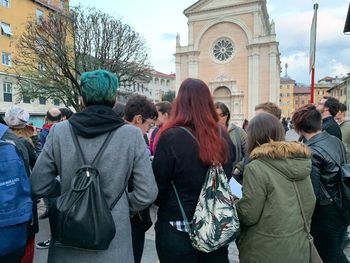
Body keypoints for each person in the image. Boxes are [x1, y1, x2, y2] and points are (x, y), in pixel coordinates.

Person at [30, 69, 158, 263]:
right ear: (114, 99)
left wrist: (68, 193)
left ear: (82, 99)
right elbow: (147, 192)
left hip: (68, 239)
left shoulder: (59, 132)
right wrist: (121, 207)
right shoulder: (131, 135)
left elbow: (38, 184)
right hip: (113, 240)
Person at [152, 78, 235, 263]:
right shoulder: (223, 136)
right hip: (214, 228)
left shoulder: (170, 137)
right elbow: (227, 179)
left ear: (179, 103)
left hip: (177, 226)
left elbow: (158, 187)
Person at [236, 112, 316, 263]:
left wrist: (234, 202)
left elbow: (248, 215)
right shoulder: (299, 160)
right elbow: (309, 200)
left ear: (253, 136)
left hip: (265, 248)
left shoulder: (256, 167)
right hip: (297, 244)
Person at [292, 104, 348, 262]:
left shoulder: (310, 151)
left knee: (329, 255)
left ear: (298, 127)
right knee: (336, 251)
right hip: (342, 203)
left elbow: (312, 193)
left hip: (325, 213)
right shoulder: (335, 141)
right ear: (320, 123)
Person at [4, 106, 41, 263]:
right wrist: (36, 140)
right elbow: (39, 166)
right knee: (26, 247)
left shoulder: (5, 138)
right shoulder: (23, 143)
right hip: (23, 206)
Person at [124, 94, 158, 263]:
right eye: (149, 125)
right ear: (138, 119)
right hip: (132, 216)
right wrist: (127, 207)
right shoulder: (133, 137)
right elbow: (146, 192)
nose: (148, 130)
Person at [214, 101, 247, 168]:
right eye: (215, 115)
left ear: (227, 115)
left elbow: (249, 153)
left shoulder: (238, 132)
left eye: (221, 115)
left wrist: (239, 168)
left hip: (234, 174)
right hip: (215, 175)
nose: (218, 118)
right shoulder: (209, 133)